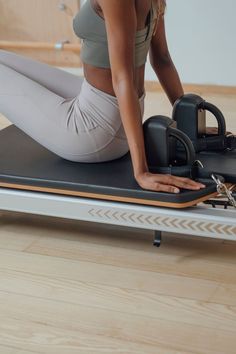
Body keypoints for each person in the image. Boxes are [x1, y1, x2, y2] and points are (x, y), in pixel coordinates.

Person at [0, 0, 205, 194]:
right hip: (108, 113)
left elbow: (122, 79)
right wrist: (188, 121)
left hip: (94, 131)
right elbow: (162, 59)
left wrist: (141, 172)